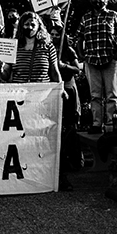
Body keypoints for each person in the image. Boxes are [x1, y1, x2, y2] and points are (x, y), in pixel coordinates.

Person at [74, 0, 117, 134]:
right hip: (91, 61)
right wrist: (82, 56)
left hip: (110, 60)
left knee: (112, 94)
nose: (97, 0)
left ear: (106, 0)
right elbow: (79, 38)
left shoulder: (113, 15)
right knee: (95, 95)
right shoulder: (86, 18)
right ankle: (96, 123)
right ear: (90, 0)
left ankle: (111, 124)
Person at [50, 22, 84, 178]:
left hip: (69, 88)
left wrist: (63, 66)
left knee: (71, 124)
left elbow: (77, 69)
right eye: (53, 34)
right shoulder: (49, 49)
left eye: (58, 34)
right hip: (53, 89)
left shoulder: (68, 50)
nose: (55, 37)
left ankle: (75, 159)